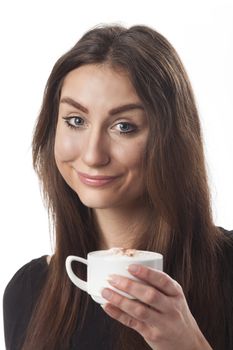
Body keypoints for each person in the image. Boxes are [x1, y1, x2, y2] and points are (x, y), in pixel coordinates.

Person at [3, 24, 233, 350]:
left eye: (123, 126)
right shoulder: (28, 292)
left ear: (171, 141)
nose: (93, 154)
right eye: (76, 120)